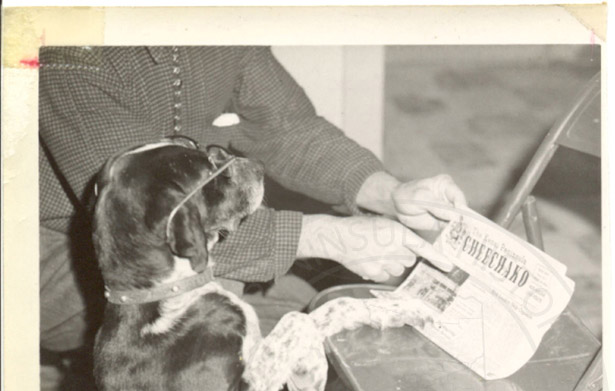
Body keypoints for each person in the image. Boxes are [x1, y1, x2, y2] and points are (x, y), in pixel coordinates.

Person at [39, 45, 467, 352]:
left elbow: (288, 130)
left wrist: (390, 193)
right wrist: (324, 237)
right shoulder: (65, 46)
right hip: (48, 252)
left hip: (181, 229)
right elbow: (147, 220)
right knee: (207, 306)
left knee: (310, 313)